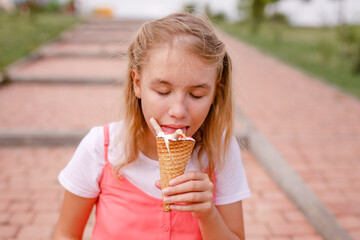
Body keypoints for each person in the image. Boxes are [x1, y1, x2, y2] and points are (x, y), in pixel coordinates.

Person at [53, 12, 251, 240]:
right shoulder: (102, 147)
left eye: (197, 94)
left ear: (215, 91)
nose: (178, 111)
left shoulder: (220, 151)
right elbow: (65, 234)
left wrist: (208, 215)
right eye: (163, 92)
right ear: (137, 84)